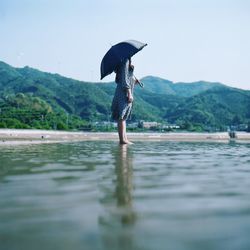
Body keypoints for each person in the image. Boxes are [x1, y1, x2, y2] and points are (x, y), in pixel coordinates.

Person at [111, 57, 139, 144]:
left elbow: (126, 79)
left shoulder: (125, 62)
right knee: (122, 117)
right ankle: (122, 140)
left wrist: (134, 82)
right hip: (124, 93)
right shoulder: (125, 61)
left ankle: (124, 138)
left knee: (123, 117)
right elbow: (124, 80)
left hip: (124, 92)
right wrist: (129, 93)